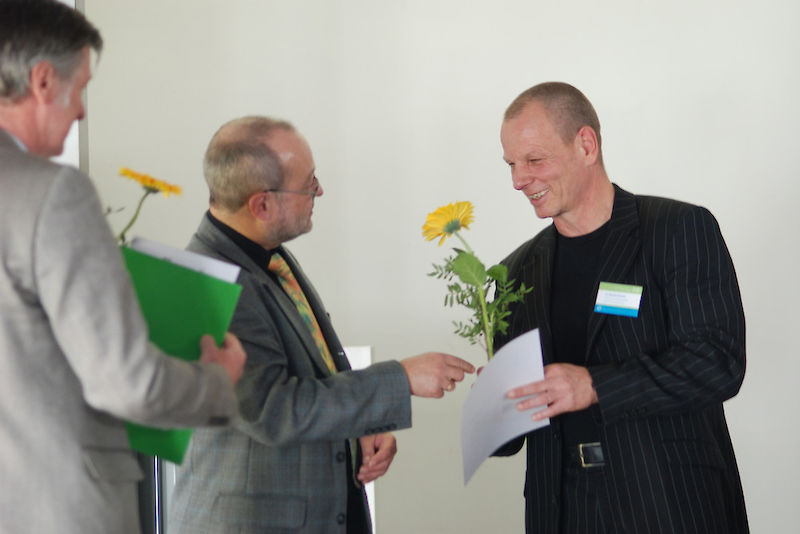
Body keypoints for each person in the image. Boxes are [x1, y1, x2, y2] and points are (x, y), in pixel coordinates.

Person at [0, 2, 246, 533]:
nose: (82, 112)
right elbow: (125, 383)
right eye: (80, 88)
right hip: (58, 508)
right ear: (42, 81)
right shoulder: (51, 194)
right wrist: (215, 381)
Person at [168, 116, 475, 534]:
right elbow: (275, 409)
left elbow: (316, 364)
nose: (320, 191)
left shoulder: (266, 254)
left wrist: (361, 427)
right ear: (262, 204)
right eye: (308, 183)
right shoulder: (207, 283)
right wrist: (400, 378)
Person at [493, 82, 748, 533]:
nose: (518, 179)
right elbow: (513, 434)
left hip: (669, 505)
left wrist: (594, 386)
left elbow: (718, 363)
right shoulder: (515, 272)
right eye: (511, 164)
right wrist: (493, 404)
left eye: (534, 160)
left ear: (586, 145)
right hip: (561, 513)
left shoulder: (677, 230)